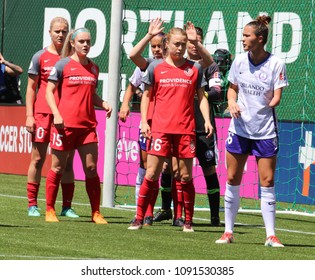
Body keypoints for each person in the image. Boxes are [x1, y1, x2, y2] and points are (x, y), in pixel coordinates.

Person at [128, 24, 213, 232]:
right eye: (177, 44)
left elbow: (202, 94)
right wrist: (144, 121)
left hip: (185, 130)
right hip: (160, 129)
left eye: (183, 44)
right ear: (167, 44)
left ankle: (188, 221)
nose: (180, 48)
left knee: (185, 177)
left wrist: (207, 120)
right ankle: (139, 218)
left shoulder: (194, 68)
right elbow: (146, 95)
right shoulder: (155, 67)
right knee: (151, 173)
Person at [215, 15, 288, 246]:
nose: (243, 39)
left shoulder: (276, 63)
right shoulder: (238, 61)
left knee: (267, 181)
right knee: (232, 177)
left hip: (265, 131)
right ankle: (228, 232)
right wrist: (233, 102)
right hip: (239, 130)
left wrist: (271, 102)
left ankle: (271, 235)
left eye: (247, 36)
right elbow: (231, 90)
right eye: (243, 35)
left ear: (260, 38)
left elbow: (277, 96)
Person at [45, 27, 112, 223]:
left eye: (88, 42)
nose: (85, 45)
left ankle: (96, 213)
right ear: (72, 43)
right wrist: (56, 113)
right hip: (63, 125)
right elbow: (49, 91)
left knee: (91, 168)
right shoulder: (62, 65)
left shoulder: (93, 68)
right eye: (81, 41)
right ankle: (50, 210)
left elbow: (91, 95)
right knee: (57, 167)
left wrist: (103, 103)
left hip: (87, 127)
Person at [25, 17, 78, 218]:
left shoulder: (72, 59)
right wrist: (29, 115)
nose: (61, 35)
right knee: (37, 159)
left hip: (65, 116)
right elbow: (31, 88)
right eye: (57, 31)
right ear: (49, 32)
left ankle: (66, 206)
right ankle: (32, 204)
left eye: (64, 31)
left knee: (67, 162)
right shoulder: (40, 57)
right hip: (41, 114)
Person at [120, 29, 173, 226]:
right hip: (150, 122)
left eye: (160, 46)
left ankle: (178, 216)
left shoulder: (179, 67)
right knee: (147, 167)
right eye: (154, 46)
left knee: (170, 169)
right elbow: (132, 86)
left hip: (171, 123)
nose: (157, 49)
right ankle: (144, 212)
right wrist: (125, 104)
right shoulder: (148, 65)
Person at [185, 26, 222, 227]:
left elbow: (217, 91)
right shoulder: (179, 65)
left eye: (196, 40)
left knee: (209, 169)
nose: (192, 45)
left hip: (203, 125)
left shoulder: (210, 66)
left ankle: (215, 216)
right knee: (176, 170)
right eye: (189, 41)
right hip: (180, 124)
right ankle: (173, 213)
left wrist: (200, 94)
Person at [213, 48, 232, 116]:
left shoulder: (231, 71)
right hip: (215, 102)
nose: (217, 64)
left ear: (226, 61)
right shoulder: (212, 69)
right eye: (216, 61)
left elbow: (224, 84)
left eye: (220, 61)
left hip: (228, 103)